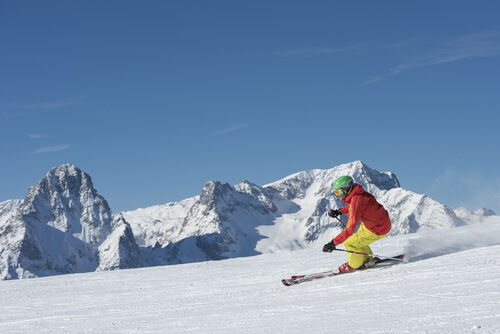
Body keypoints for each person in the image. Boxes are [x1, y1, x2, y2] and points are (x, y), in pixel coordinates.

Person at [322, 175, 392, 273]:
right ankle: (368, 260)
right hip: (378, 223)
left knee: (349, 243)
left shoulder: (356, 200)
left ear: (346, 189)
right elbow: (353, 207)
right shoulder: (358, 195)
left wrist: (333, 243)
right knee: (357, 238)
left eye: (338, 192)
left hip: (377, 228)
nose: (337, 195)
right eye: (335, 192)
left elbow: (349, 229)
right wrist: (339, 211)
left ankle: (354, 264)